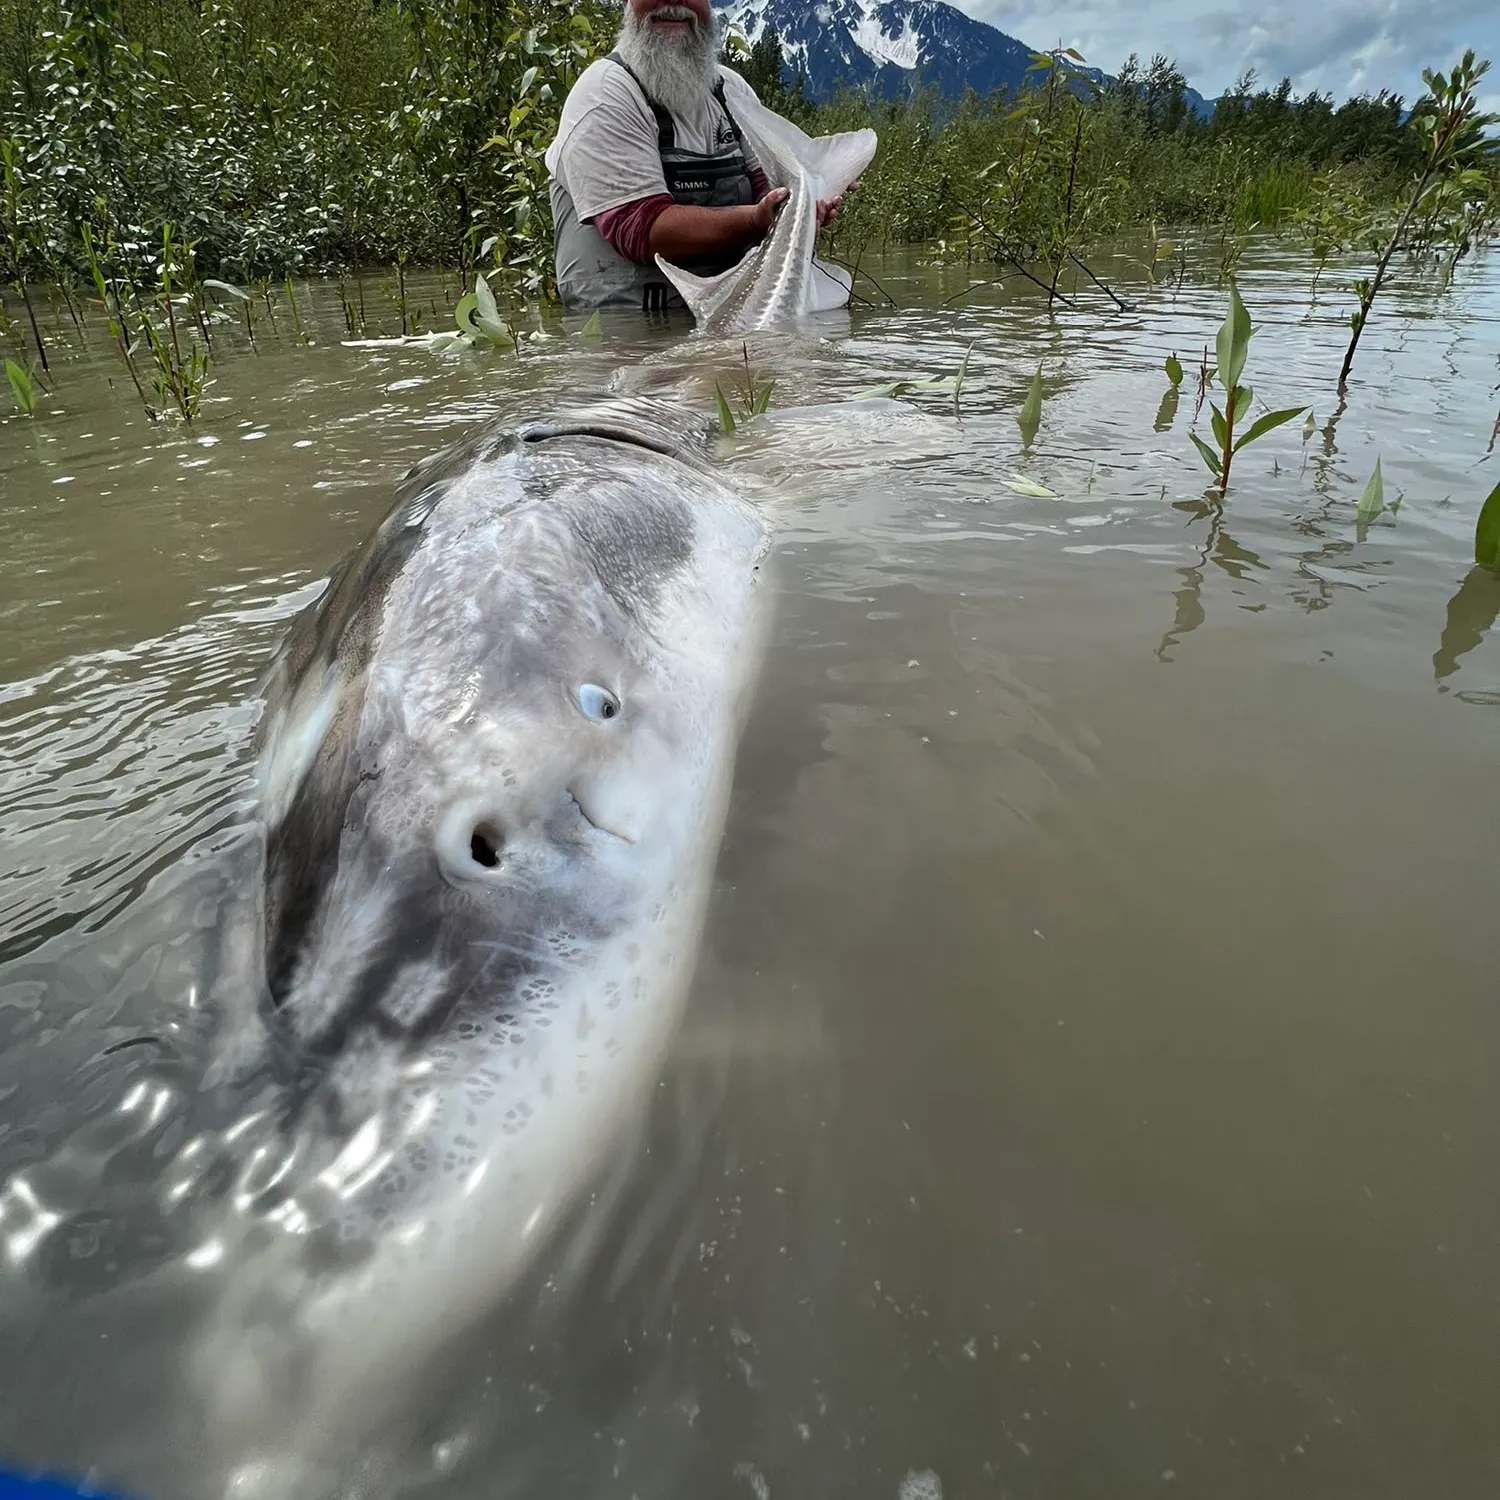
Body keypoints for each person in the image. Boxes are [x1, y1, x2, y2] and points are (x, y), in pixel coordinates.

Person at [544, 0, 848, 312]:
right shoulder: (604, 93)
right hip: (624, 329)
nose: (674, 1)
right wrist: (757, 219)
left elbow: (769, 190)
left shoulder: (731, 90)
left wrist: (806, 205)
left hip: (738, 313)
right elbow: (640, 228)